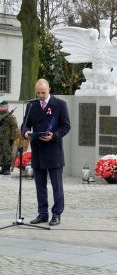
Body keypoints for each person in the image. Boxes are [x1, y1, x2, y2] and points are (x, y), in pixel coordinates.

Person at [23, 79, 71, 226]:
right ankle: (42, 213)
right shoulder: (32, 105)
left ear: (49, 89)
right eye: (38, 93)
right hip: (37, 150)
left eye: (43, 92)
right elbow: (25, 125)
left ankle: (56, 214)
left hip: (53, 150)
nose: (41, 96)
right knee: (40, 186)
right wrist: (26, 134)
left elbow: (66, 126)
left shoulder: (60, 104)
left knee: (57, 185)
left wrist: (54, 136)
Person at [0, 100, 18, 175]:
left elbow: (14, 128)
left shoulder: (10, 117)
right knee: (1, 154)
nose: (0, 107)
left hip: (7, 138)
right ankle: (3, 167)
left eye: (2, 106)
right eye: (0, 106)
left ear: (7, 107)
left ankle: (7, 169)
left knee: (7, 153)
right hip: (0, 138)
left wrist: (12, 138)